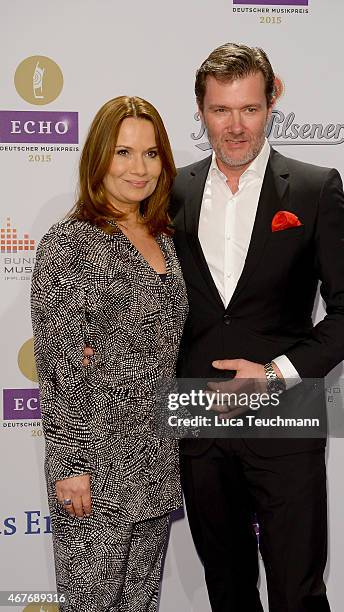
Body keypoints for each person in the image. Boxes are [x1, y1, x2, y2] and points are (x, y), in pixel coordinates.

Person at [169, 43, 344, 612]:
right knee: (227, 591)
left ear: (271, 104)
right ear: (201, 110)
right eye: (220, 110)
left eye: (250, 109)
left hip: (287, 420)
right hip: (199, 422)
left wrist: (276, 373)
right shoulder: (171, 191)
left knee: (297, 591)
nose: (235, 126)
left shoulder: (314, 188)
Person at [31, 95, 188, 611]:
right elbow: (59, 366)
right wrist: (69, 463)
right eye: (123, 152)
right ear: (98, 157)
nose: (137, 168)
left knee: (141, 605)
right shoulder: (70, 244)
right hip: (95, 471)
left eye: (150, 153)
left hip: (156, 463)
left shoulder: (164, 240)